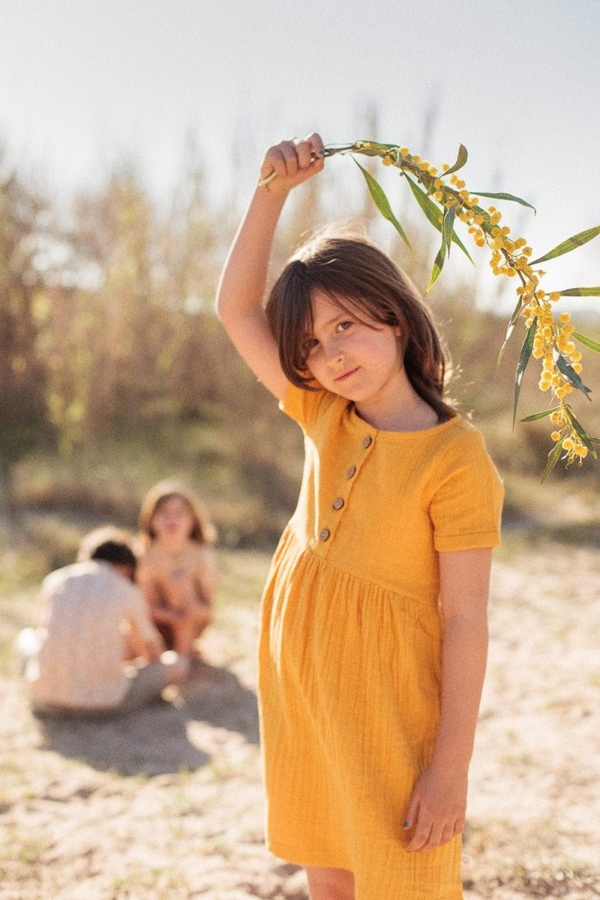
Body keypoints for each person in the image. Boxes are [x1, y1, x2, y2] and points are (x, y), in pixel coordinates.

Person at [215, 134, 504, 900]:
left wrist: (451, 772)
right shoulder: (322, 414)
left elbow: (467, 620)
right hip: (303, 690)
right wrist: (271, 192)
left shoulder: (456, 458)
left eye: (345, 325)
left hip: (388, 704)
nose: (331, 353)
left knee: (403, 871)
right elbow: (237, 307)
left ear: (396, 318)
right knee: (328, 862)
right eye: (310, 343)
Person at [16, 527, 189, 716]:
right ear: (127, 569)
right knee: (176, 664)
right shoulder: (126, 589)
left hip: (45, 698)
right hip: (105, 704)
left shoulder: (55, 580)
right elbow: (151, 652)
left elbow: (46, 634)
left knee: (25, 637)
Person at [136, 480, 218, 659]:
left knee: (178, 583)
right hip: (156, 621)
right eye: (163, 513)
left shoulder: (201, 554)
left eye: (180, 513)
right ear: (150, 520)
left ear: (193, 520)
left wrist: (185, 611)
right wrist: (171, 615)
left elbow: (208, 608)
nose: (171, 519)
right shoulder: (145, 555)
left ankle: (181, 655)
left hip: (191, 620)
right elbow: (145, 604)